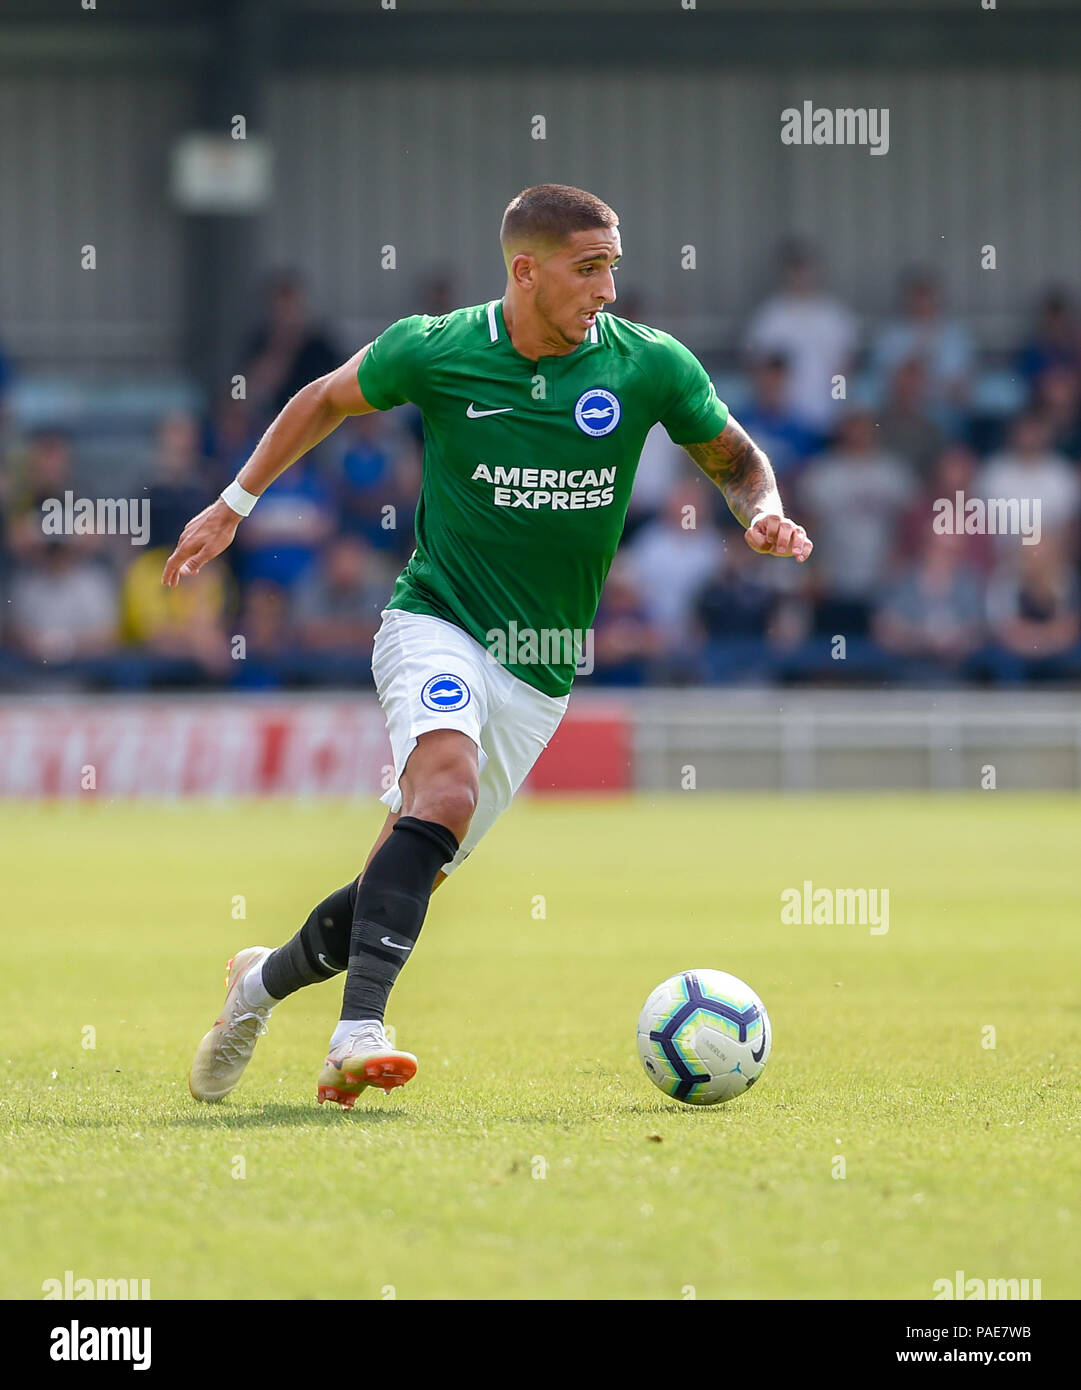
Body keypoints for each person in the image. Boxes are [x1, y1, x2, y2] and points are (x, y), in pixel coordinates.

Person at [163, 183, 813, 1109]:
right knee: (448, 786)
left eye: (613, 266)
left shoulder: (648, 367)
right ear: (526, 269)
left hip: (540, 667)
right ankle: (358, 1035)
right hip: (437, 618)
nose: (607, 289)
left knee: (403, 872)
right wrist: (234, 505)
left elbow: (736, 459)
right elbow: (323, 398)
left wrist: (765, 515)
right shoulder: (436, 349)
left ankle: (255, 987)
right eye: (588, 268)